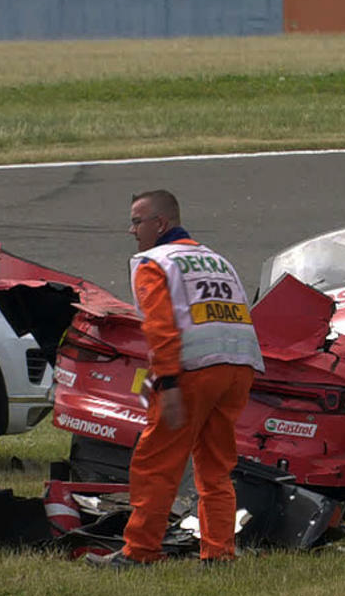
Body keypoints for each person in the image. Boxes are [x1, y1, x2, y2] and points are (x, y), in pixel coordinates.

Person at [106, 189, 263, 567]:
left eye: (136, 221)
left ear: (160, 224)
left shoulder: (153, 262)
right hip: (239, 368)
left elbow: (160, 327)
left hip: (194, 371)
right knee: (215, 467)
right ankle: (219, 552)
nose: (131, 230)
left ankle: (140, 552)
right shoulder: (215, 259)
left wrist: (169, 382)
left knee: (156, 463)